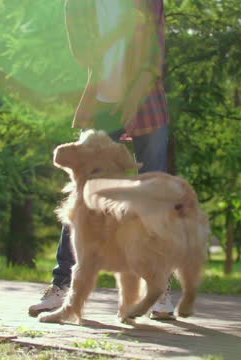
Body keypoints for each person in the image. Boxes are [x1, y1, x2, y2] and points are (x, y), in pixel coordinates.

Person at [28, 0, 174, 320]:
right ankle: (63, 285)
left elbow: (155, 51)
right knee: (82, 195)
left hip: (145, 98)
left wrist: (135, 91)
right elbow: (82, 53)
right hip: (102, 102)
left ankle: (159, 287)